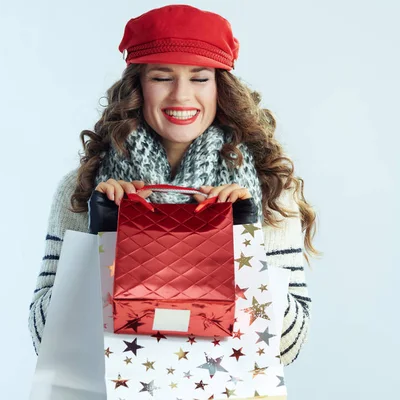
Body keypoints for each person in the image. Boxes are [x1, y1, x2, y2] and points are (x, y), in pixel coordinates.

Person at [28, 4, 319, 366]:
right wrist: (103, 241)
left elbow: (287, 348)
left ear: (220, 89)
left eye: (199, 78)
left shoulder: (271, 187)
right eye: (162, 77)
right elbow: (45, 339)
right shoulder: (83, 188)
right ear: (138, 86)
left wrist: (243, 242)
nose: (181, 96)